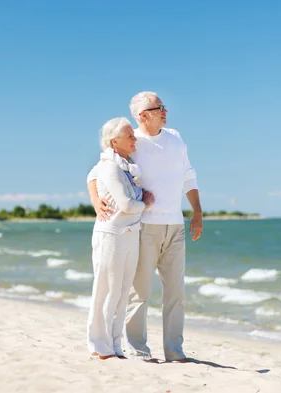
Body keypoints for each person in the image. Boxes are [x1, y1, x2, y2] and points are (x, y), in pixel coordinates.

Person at [87, 91, 203, 362]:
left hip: (175, 225)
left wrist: (197, 211)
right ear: (142, 115)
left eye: (164, 106)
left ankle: (175, 352)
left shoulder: (175, 137)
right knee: (139, 293)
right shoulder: (131, 142)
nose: (165, 111)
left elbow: (189, 175)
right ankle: (138, 350)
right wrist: (96, 201)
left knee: (176, 294)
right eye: (158, 107)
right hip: (144, 227)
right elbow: (95, 172)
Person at [87, 117, 155, 360]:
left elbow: (90, 178)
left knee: (122, 291)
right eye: (129, 136)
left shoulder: (127, 165)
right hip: (111, 236)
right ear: (114, 141)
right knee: (106, 290)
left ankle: (114, 345)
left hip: (130, 235)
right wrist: (145, 204)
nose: (134, 138)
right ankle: (99, 345)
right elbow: (125, 205)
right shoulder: (110, 166)